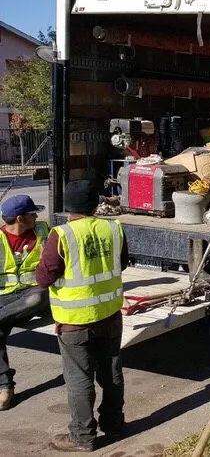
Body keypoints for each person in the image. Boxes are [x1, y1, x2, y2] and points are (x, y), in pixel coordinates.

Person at [35, 180, 129, 452]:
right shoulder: (113, 228)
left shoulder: (62, 235)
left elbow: (45, 277)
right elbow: (121, 263)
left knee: (79, 379)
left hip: (75, 321)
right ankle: (113, 425)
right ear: (94, 205)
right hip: (110, 315)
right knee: (111, 373)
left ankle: (83, 437)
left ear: (67, 207)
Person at [0, 195, 51, 411]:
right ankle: (5, 387)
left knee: (37, 297)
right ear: (20, 218)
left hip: (36, 292)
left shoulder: (42, 231)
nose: (36, 216)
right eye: (32, 213)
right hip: (7, 296)